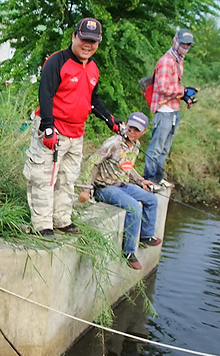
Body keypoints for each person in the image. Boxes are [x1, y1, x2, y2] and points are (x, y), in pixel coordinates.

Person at [23, 17, 123, 237]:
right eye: (84, 39)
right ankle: (42, 224)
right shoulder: (57, 61)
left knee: (67, 178)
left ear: (99, 42)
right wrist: (48, 128)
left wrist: (110, 119)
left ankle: (61, 219)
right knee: (44, 177)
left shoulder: (94, 68)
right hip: (53, 130)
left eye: (93, 41)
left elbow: (93, 99)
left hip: (76, 133)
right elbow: (45, 94)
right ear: (74, 37)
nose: (88, 45)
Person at [78, 111, 161, 270]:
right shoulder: (113, 143)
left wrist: (140, 181)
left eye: (137, 130)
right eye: (130, 127)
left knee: (152, 199)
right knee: (134, 208)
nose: (132, 132)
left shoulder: (136, 146)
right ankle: (129, 252)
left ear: (143, 132)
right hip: (105, 187)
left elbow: (128, 167)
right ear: (126, 125)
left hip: (123, 185)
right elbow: (92, 162)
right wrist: (85, 189)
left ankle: (145, 236)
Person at [143, 28, 194, 184]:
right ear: (175, 40)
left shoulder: (178, 61)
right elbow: (162, 88)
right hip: (164, 111)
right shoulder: (167, 61)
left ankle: (158, 178)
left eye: (188, 45)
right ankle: (149, 179)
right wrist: (183, 90)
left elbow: (172, 87)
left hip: (173, 110)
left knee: (165, 149)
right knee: (156, 148)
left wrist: (185, 97)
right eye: (183, 43)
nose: (185, 47)